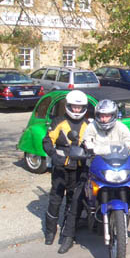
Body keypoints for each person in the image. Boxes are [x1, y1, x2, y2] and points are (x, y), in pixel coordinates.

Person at [58, 99, 130, 254]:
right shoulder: (91, 127)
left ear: (113, 115)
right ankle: (68, 237)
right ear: (97, 115)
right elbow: (87, 144)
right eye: (101, 115)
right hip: (95, 167)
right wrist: (90, 151)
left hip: (116, 168)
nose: (104, 119)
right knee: (78, 197)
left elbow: (128, 145)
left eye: (107, 116)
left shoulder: (121, 127)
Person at [42, 90, 89, 247]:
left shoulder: (88, 124)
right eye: (74, 106)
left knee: (73, 200)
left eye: (79, 107)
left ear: (84, 108)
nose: (76, 110)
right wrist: (53, 155)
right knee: (55, 199)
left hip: (79, 168)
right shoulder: (58, 121)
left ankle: (67, 231)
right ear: (68, 106)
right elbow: (47, 141)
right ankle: (50, 232)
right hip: (61, 168)